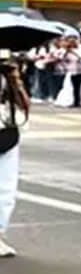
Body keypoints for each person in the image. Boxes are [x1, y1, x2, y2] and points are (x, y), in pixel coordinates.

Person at [0, 60, 27, 259]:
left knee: (5, 188)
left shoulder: (8, 78)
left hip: (6, 135)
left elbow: (24, 105)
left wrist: (16, 81)